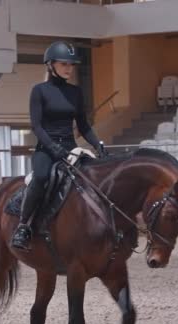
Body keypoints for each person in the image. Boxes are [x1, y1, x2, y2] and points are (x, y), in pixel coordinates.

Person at [10, 41, 107, 251]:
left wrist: (97, 143)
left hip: (71, 149)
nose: (69, 68)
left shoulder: (75, 92)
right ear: (50, 65)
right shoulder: (39, 91)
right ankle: (23, 226)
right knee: (42, 177)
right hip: (46, 150)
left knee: (95, 176)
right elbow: (36, 126)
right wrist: (53, 148)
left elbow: (83, 125)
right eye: (64, 64)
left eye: (71, 65)